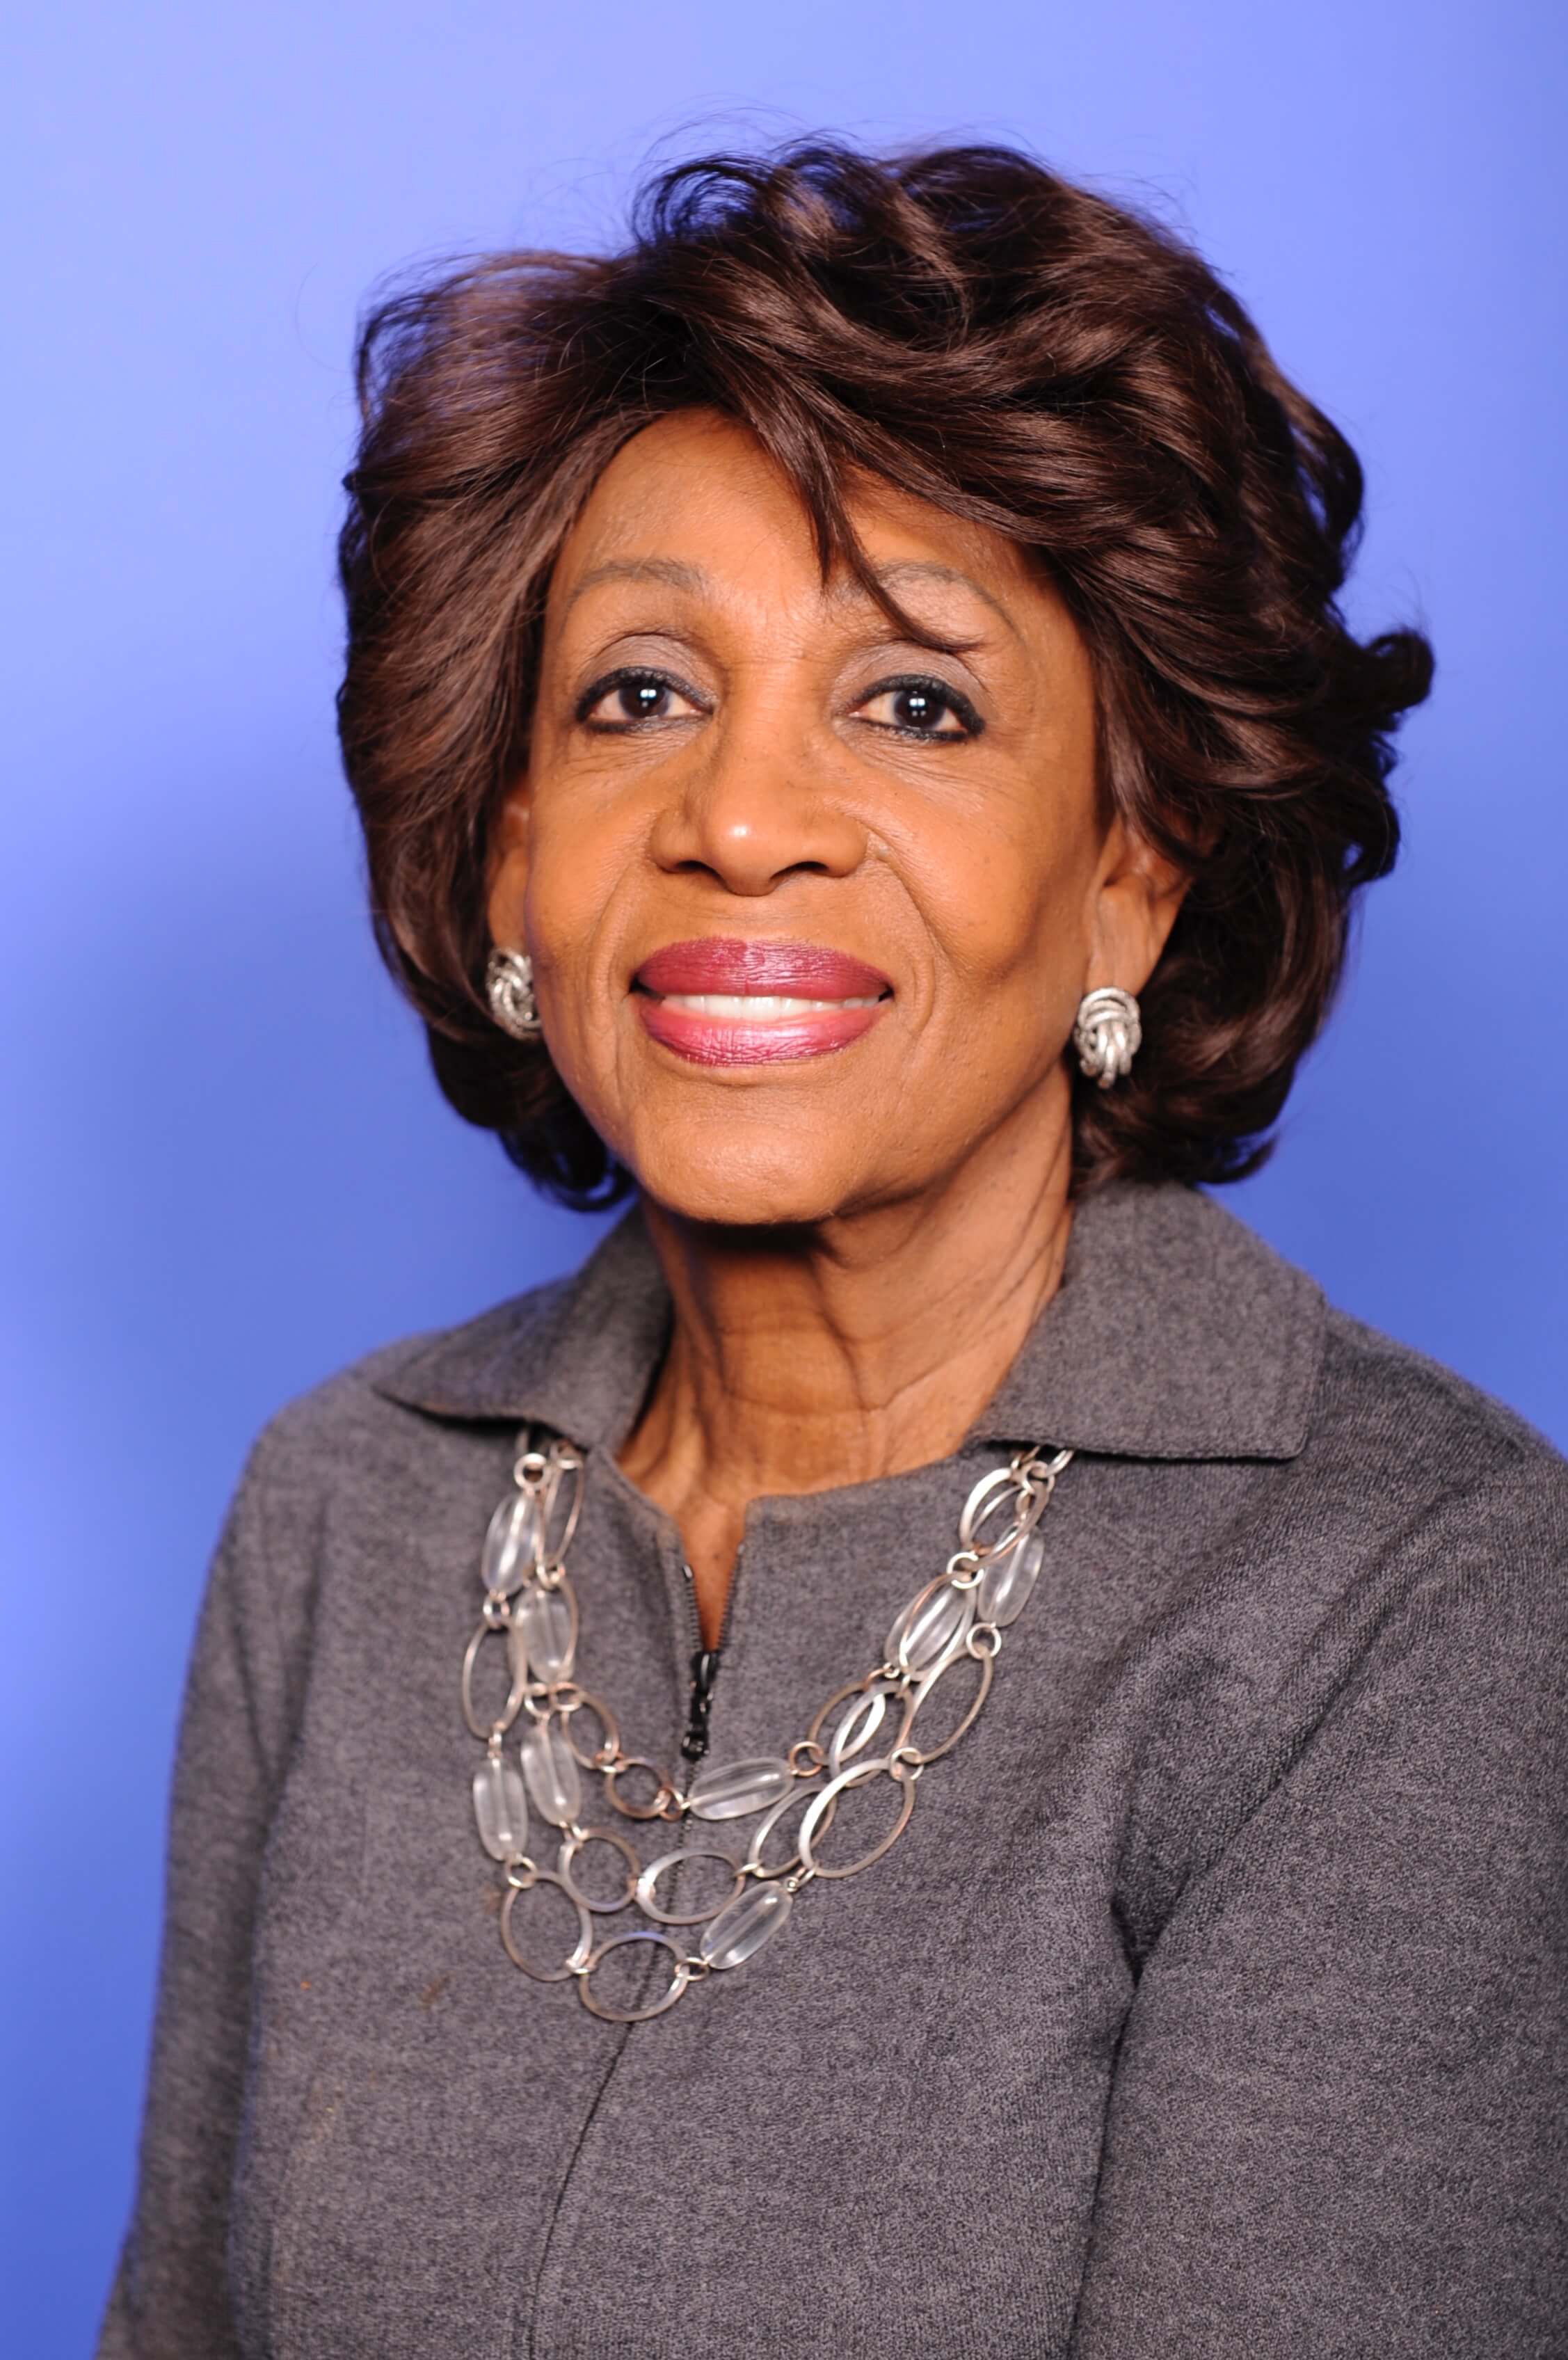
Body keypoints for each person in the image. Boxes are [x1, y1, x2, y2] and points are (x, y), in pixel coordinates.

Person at [99, 141, 1567, 2358]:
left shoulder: (1420, 1608)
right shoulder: (345, 1508)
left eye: (915, 703)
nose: (739, 818)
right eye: (638, 694)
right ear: (509, 855)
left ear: (1132, 874)